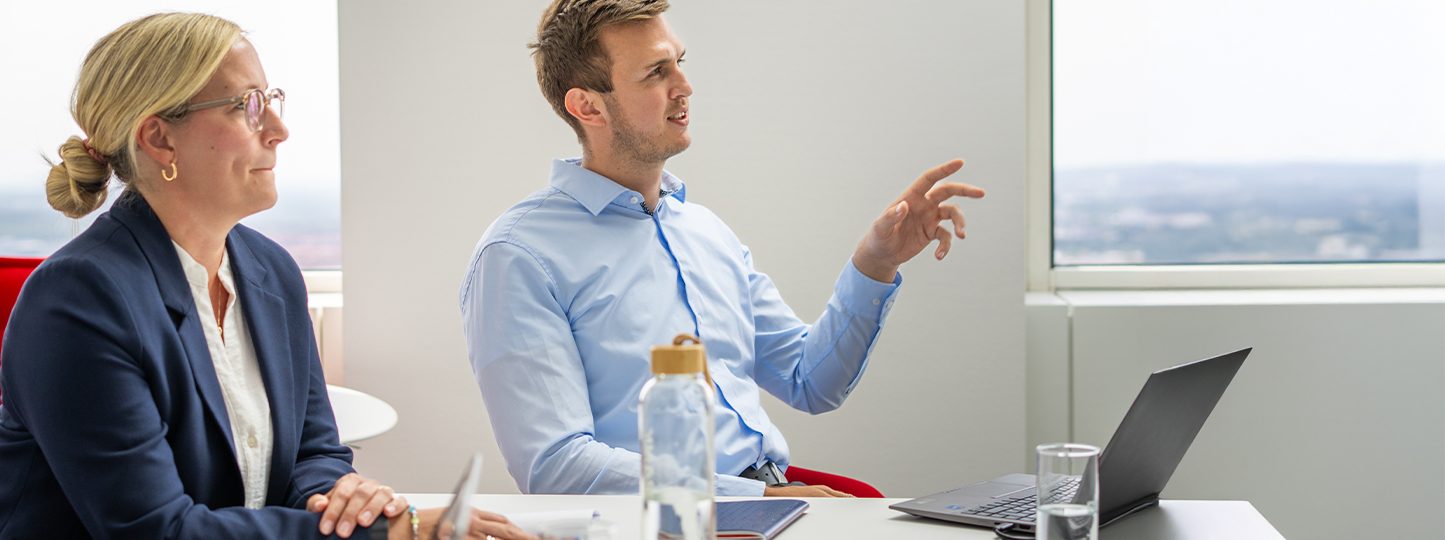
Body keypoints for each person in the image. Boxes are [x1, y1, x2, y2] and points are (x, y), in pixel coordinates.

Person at [0, 13, 529, 539]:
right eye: (245, 106)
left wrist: (344, 500)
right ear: (160, 140)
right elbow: (155, 531)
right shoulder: (77, 300)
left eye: (270, 100)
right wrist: (386, 533)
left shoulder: (270, 273)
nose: (278, 130)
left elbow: (313, 453)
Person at [460, 0, 984, 498]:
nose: (685, 87)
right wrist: (752, 498)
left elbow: (811, 382)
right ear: (588, 106)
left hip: (771, 494)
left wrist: (876, 262)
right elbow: (557, 466)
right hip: (672, 521)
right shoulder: (518, 256)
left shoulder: (705, 232)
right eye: (656, 72)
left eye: (679, 63)